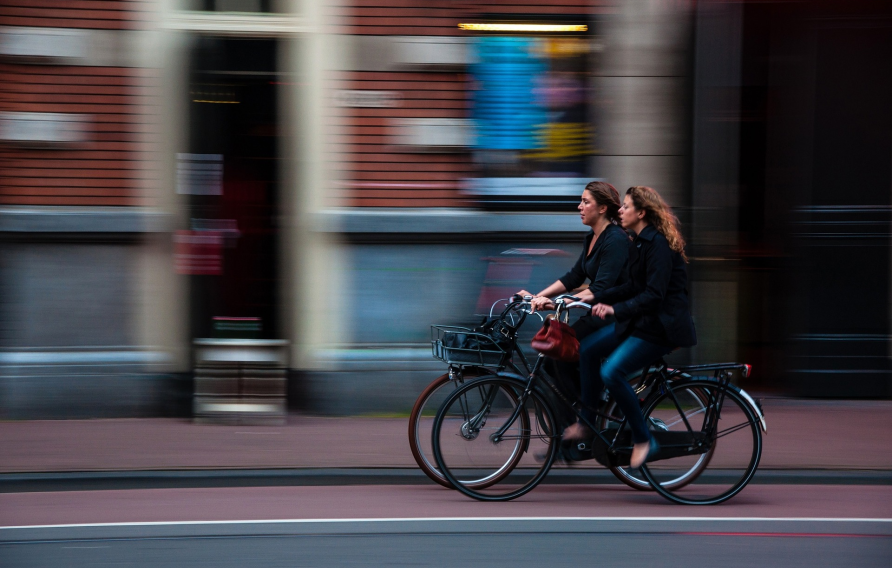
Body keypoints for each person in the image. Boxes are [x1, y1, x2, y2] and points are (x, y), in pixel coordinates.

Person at [564, 185, 697, 469]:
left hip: (662, 328)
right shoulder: (638, 241)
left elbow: (654, 295)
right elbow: (631, 285)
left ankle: (644, 439)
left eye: (625, 207)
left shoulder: (658, 244)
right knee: (586, 350)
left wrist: (614, 309)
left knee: (611, 372)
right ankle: (587, 423)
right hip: (641, 322)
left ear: (642, 212)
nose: (620, 211)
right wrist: (595, 297)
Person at [517, 181, 632, 401]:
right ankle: (587, 409)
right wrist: (537, 296)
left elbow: (601, 288)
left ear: (602, 208)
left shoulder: (616, 239)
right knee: (555, 359)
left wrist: (556, 303)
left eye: (585, 202)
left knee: (561, 356)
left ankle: (586, 416)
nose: (579, 206)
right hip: (595, 314)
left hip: (613, 316)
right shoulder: (592, 237)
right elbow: (574, 277)